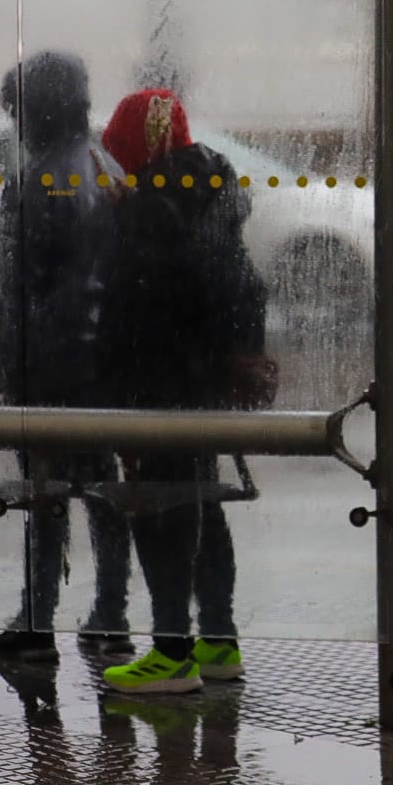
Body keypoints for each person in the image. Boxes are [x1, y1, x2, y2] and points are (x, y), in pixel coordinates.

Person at [93, 88, 270, 694]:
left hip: (156, 380)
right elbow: (238, 282)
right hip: (199, 379)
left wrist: (124, 214)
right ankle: (218, 643)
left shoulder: (152, 206)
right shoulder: (211, 190)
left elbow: (133, 308)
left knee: (159, 511)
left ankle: (170, 652)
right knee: (201, 504)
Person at [0, 51, 132, 664]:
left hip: (47, 365)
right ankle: (110, 613)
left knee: (43, 494)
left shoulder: (38, 177)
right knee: (102, 489)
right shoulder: (107, 165)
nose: (15, 121)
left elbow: (17, 289)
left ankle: (38, 619)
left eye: (17, 109)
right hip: (102, 363)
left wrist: (0, 369)